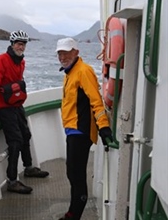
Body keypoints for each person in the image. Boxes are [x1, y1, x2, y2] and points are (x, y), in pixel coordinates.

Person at [0, 30, 49, 194]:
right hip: (4, 107)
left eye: (24, 44)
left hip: (17, 104)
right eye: (19, 43)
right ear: (12, 44)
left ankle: (29, 168)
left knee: (26, 134)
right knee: (16, 141)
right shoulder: (1, 60)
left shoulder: (21, 61)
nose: (22, 46)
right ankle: (12, 181)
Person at [55, 38, 113, 220]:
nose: (62, 56)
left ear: (76, 52)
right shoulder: (70, 73)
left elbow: (96, 101)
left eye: (66, 52)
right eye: (60, 53)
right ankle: (72, 212)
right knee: (71, 172)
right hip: (72, 130)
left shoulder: (84, 71)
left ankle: (73, 215)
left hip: (81, 131)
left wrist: (103, 127)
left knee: (77, 175)